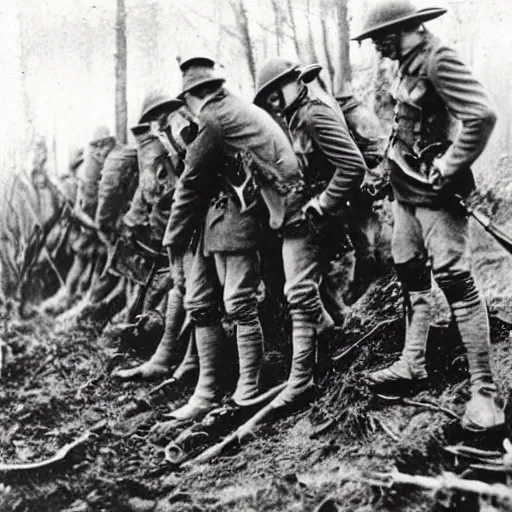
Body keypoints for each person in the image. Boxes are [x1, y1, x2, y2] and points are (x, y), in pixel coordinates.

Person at [353, 0, 504, 431]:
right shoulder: (405, 64)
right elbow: (403, 126)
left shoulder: (439, 60)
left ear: (404, 29)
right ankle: (412, 363)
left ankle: (485, 394)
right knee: (408, 270)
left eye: (380, 38)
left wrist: (452, 163)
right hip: (406, 193)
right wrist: (384, 169)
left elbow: (482, 114)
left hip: (438, 195)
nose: (377, 48)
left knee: (455, 279)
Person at [159, 56, 302, 431]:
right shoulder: (229, 110)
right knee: (199, 301)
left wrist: (171, 241)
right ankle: (205, 393)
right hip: (226, 211)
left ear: (192, 96)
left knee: (239, 302)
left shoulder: (215, 117)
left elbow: (190, 184)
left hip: (245, 213)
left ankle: (246, 389)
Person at [254, 58, 367, 408]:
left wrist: (323, 203)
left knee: (300, 291)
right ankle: (344, 339)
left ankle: (303, 377)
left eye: (279, 89)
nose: (274, 98)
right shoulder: (294, 117)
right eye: (268, 94)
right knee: (311, 293)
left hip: (319, 216)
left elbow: (353, 165)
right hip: (303, 214)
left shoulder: (313, 114)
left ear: (295, 81)